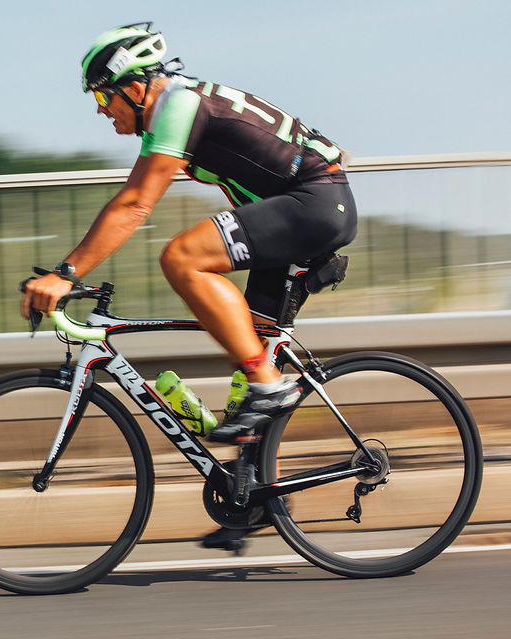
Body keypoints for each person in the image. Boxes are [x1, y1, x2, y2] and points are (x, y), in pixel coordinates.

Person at [20, 22, 357, 550]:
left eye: (104, 97)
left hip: (313, 205)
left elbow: (134, 204)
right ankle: (252, 499)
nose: (101, 111)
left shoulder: (177, 106)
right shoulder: (183, 104)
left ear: (135, 87)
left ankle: (268, 384)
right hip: (307, 206)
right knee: (248, 354)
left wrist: (65, 274)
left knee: (182, 258)